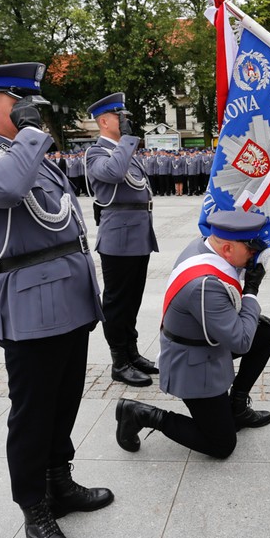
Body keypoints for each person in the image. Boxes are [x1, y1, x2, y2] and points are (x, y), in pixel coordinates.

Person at [0, 62, 112, 538]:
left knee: (65, 402)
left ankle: (59, 482)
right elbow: (4, 190)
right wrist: (27, 134)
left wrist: (27, 136)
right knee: (32, 412)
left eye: (33, 103)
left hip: (70, 296)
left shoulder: (34, 156)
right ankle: (34, 508)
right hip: (31, 307)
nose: (31, 111)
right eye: (18, 101)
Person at [114, 210, 270, 458]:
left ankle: (237, 407)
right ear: (228, 250)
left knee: (265, 334)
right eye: (250, 249)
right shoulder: (205, 283)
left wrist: (246, 315)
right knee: (222, 445)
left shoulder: (204, 246)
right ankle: (141, 414)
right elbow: (241, 342)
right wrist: (251, 292)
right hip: (193, 364)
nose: (254, 255)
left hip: (205, 341)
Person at [84, 92, 159, 387]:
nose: (125, 120)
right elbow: (114, 175)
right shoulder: (96, 153)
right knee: (117, 303)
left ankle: (132, 352)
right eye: (119, 116)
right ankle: (119, 361)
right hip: (118, 239)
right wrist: (128, 141)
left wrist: (127, 144)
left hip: (137, 236)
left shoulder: (125, 152)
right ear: (104, 121)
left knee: (133, 301)